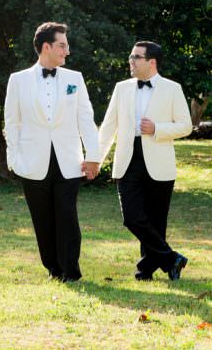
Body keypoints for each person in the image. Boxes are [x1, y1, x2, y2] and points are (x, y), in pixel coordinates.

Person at [84, 41, 191, 281]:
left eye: (136, 57)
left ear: (151, 62)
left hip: (159, 160)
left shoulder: (172, 88)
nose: (130, 61)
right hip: (127, 158)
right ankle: (171, 258)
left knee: (156, 221)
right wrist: (95, 159)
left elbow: (186, 125)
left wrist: (157, 128)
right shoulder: (121, 88)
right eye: (131, 56)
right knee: (131, 217)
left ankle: (146, 271)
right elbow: (109, 126)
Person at [3, 22, 100, 282]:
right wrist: (14, 160)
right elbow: (11, 123)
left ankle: (71, 270)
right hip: (33, 162)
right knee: (42, 219)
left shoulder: (74, 79)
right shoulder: (18, 80)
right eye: (62, 46)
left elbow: (85, 119)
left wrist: (93, 155)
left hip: (69, 161)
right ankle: (53, 270)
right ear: (46, 47)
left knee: (67, 216)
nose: (67, 51)